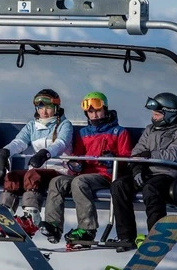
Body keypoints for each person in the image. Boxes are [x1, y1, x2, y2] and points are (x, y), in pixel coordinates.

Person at [38, 92, 133, 246]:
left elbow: (127, 158)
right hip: (82, 174)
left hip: (104, 175)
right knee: (57, 182)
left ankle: (87, 228)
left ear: (105, 110)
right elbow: (76, 155)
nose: (94, 115)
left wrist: (111, 159)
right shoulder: (83, 133)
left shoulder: (119, 132)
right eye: (90, 112)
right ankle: (53, 225)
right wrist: (74, 164)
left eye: (97, 111)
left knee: (79, 182)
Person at [109, 92, 177, 251]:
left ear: (169, 114)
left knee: (151, 190)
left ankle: (155, 235)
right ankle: (126, 236)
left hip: (166, 174)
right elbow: (137, 152)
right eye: (153, 114)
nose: (153, 117)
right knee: (118, 186)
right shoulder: (150, 130)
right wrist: (137, 169)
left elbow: (176, 154)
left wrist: (149, 156)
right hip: (146, 171)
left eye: (157, 114)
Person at [0, 89, 73, 237]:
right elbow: (19, 142)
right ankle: (4, 215)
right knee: (12, 176)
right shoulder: (32, 126)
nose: (44, 112)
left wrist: (46, 153)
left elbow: (61, 143)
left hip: (59, 169)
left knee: (31, 175)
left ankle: (31, 219)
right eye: (40, 108)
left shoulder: (64, 125)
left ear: (56, 108)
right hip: (38, 170)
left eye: (48, 108)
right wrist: (5, 152)